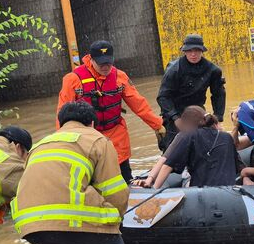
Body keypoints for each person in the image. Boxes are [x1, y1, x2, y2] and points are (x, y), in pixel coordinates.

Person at [12, 102, 133, 244]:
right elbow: (115, 191)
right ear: (92, 123)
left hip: (30, 223)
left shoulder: (40, 144)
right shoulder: (97, 140)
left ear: (61, 123)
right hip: (72, 214)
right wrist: (116, 220)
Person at [57, 40, 164, 183]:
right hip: (87, 138)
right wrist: (62, 142)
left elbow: (139, 105)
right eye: (101, 63)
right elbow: (62, 114)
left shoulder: (120, 77)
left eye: (108, 62)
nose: (105, 67)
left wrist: (158, 125)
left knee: (124, 178)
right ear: (91, 59)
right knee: (91, 179)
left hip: (117, 137)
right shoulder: (73, 79)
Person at [157, 34, 226, 150]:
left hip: (197, 112)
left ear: (202, 51)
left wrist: (218, 118)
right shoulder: (174, 70)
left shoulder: (213, 70)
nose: (193, 54)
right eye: (189, 51)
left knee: (203, 146)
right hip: (174, 113)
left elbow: (218, 94)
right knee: (173, 149)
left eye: (197, 50)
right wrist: (176, 118)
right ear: (184, 51)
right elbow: (163, 97)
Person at [153, 106, 242, 189]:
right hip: (229, 192)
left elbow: (167, 166)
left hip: (201, 193)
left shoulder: (188, 136)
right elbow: (239, 166)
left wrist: (154, 190)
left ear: (187, 124)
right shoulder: (227, 137)